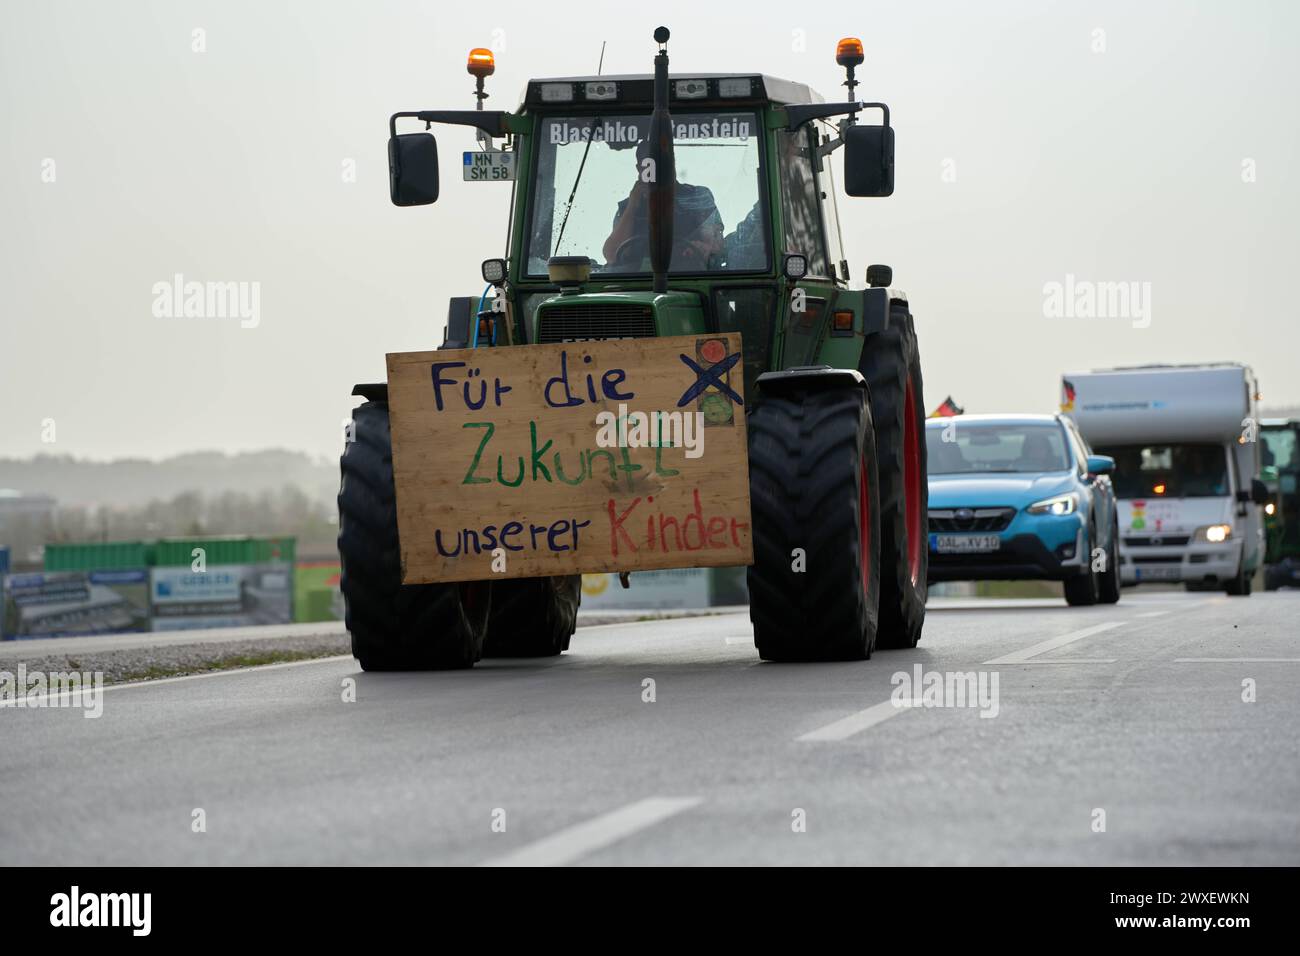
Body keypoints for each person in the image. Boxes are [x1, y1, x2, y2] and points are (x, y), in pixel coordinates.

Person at [602, 139, 724, 270]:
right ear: (639, 169)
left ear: (673, 162)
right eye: (650, 165)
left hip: (689, 278)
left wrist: (701, 247)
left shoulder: (697, 197)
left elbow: (717, 246)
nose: (659, 170)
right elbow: (612, 255)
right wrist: (633, 205)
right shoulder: (628, 207)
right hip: (636, 282)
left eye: (664, 163)